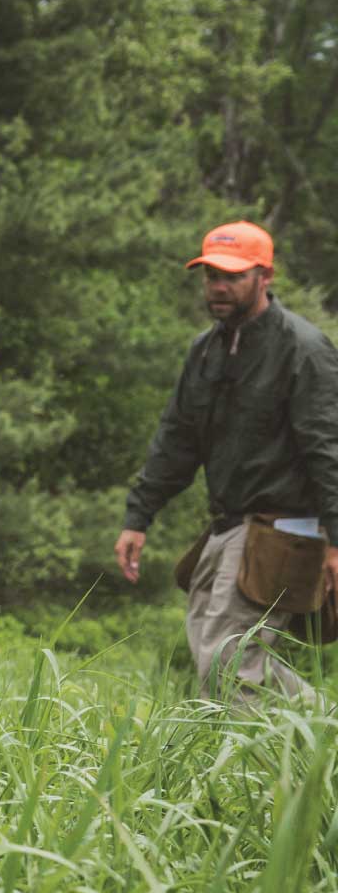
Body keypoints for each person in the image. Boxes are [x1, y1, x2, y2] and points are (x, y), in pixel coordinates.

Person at [115, 220, 338, 701]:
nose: (219, 285)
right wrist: (139, 516)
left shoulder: (303, 349)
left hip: (283, 528)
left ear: (265, 276)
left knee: (228, 659)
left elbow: (329, 451)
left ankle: (246, 772)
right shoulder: (205, 348)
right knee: (215, 652)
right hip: (227, 526)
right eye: (211, 274)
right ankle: (322, 732)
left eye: (233, 275)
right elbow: (176, 440)